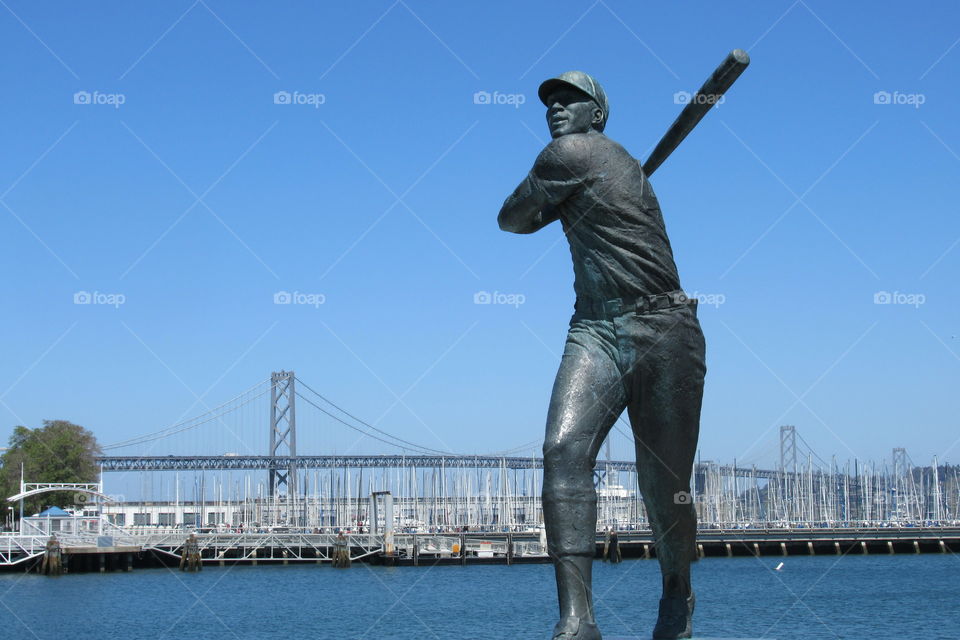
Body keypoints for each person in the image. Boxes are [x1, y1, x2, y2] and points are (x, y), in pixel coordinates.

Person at [498, 71, 706, 640]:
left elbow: (511, 218)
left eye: (572, 100)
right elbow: (518, 220)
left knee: (663, 484)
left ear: (598, 116)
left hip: (663, 326)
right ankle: (577, 619)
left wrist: (553, 206)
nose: (557, 109)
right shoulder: (587, 167)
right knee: (562, 449)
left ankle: (676, 590)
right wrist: (565, 207)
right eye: (550, 103)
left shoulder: (569, 154)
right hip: (594, 325)